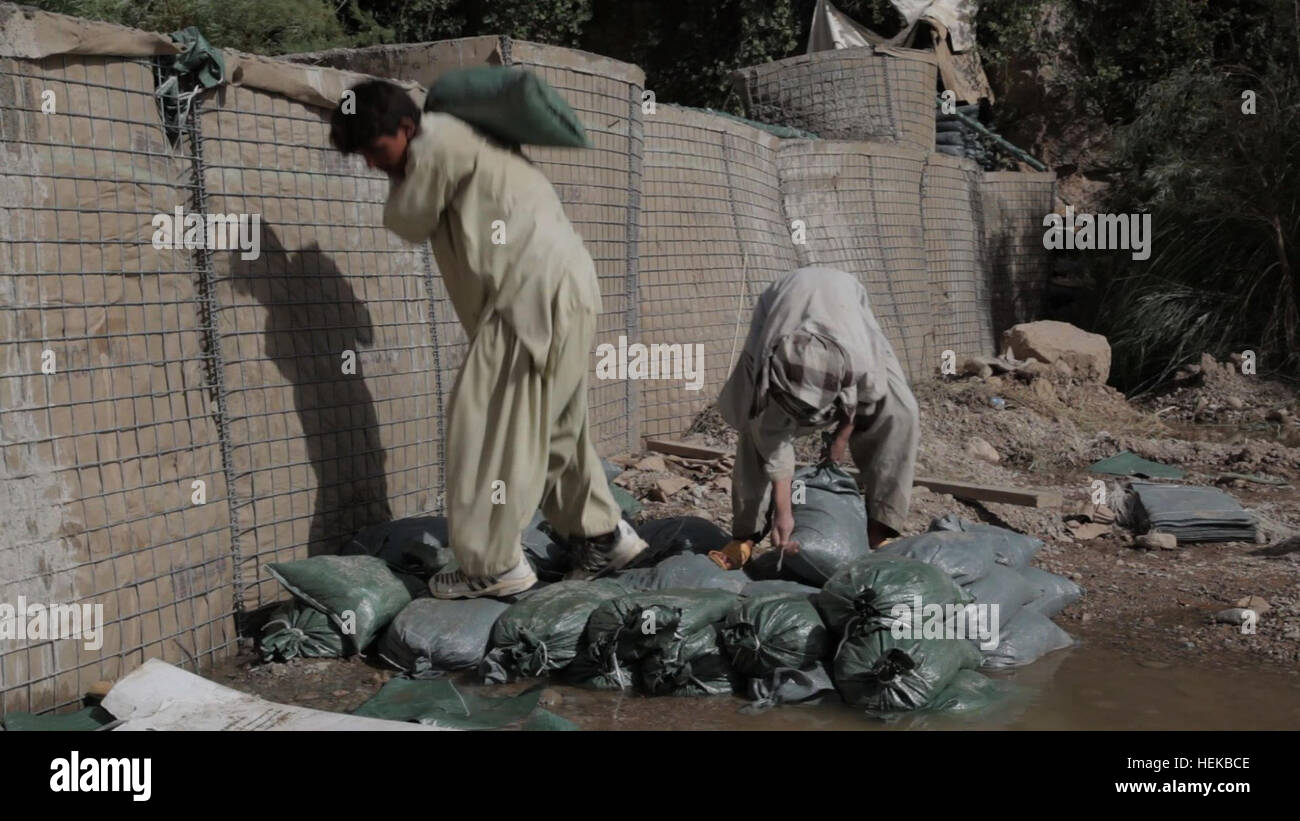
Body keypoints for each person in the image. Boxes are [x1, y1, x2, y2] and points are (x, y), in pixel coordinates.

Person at [328, 79, 646, 598]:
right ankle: (603, 536)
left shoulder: (439, 143)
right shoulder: (466, 142)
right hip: (564, 291)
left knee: (484, 429)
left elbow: (406, 219)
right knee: (556, 427)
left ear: (406, 128)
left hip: (527, 299)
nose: (369, 162)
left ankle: (490, 565)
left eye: (374, 148)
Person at [717, 266, 920, 555]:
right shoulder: (768, 369)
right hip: (784, 302)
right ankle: (747, 533)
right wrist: (783, 514)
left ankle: (879, 526)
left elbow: (862, 398)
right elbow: (774, 445)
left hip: (845, 301)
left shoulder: (860, 359)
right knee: (754, 427)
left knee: (901, 413)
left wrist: (840, 438)